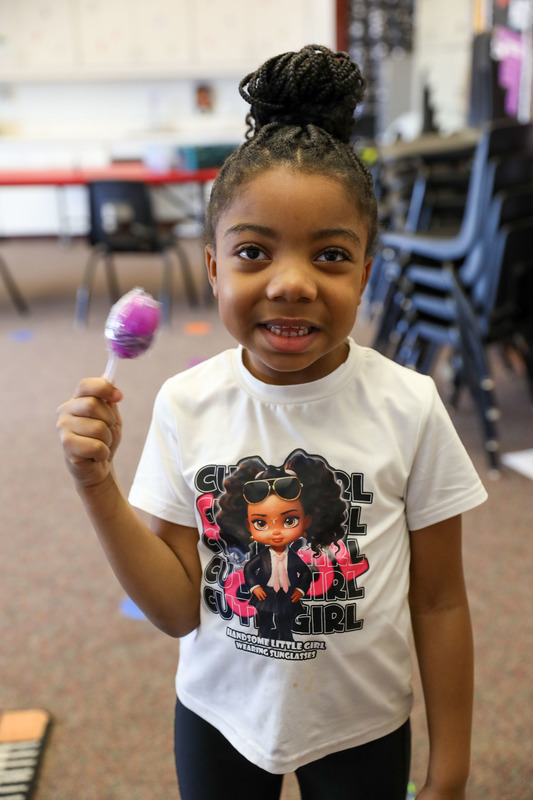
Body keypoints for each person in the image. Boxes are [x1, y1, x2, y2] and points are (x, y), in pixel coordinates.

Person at [57, 44, 487, 800]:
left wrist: (449, 769)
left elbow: (441, 599)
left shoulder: (409, 405)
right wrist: (97, 487)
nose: (290, 284)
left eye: (329, 255)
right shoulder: (186, 404)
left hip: (362, 724)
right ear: (214, 267)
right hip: (219, 717)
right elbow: (172, 610)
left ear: (365, 268)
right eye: (253, 251)